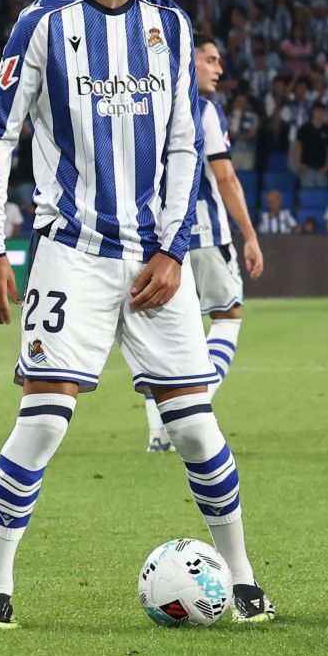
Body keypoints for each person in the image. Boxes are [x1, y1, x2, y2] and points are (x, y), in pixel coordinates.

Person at [0, 0, 274, 629]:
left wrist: (172, 251)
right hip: (69, 250)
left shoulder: (170, 26)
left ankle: (239, 574)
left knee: (197, 424)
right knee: (42, 421)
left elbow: (179, 147)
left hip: (153, 261)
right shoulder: (42, 23)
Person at [140, 33, 266, 453]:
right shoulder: (204, 109)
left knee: (164, 337)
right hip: (203, 234)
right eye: (210, 60)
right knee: (228, 316)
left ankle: (159, 429)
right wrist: (248, 235)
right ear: (187, 62)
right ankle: (190, 415)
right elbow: (226, 178)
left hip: (154, 239)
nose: (218, 69)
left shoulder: (145, 104)